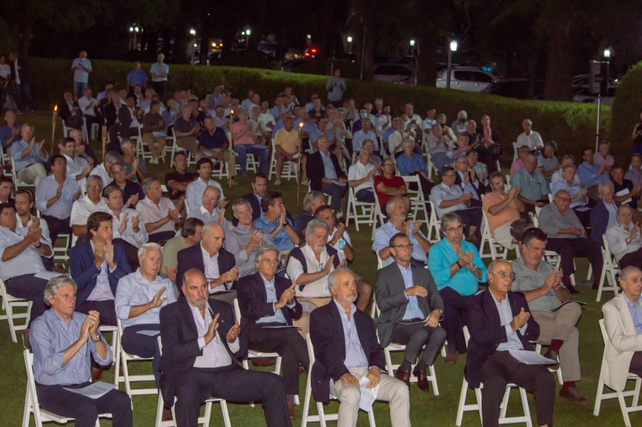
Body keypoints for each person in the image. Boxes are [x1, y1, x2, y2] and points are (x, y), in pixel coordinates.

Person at [159, 268, 291, 427]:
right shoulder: (171, 312)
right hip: (192, 374)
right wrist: (204, 339)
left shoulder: (222, 308)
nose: (201, 293)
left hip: (227, 374)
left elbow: (241, 351)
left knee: (274, 383)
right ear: (184, 290)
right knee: (186, 393)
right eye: (194, 288)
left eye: (203, 286)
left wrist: (232, 340)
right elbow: (172, 353)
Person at [310, 267, 410, 427]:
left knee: (401, 389)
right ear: (333, 290)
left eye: (354, 284)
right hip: (336, 373)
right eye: (346, 284)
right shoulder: (320, 316)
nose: (353, 288)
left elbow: (375, 348)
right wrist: (342, 373)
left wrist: (376, 368)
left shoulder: (363, 318)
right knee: (351, 393)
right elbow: (323, 349)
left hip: (366, 373)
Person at [30, 276, 133, 427]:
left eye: (74, 295)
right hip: (52, 389)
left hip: (84, 387)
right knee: (86, 407)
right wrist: (80, 341)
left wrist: (93, 335)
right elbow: (49, 367)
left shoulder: (82, 320)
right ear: (51, 299)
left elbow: (105, 359)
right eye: (66, 296)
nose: (72, 300)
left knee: (122, 400)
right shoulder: (41, 326)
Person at [465, 259, 555, 427]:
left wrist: (524, 323)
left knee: (545, 378)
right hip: (491, 357)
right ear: (490, 277)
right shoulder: (476, 302)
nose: (508, 278)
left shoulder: (517, 299)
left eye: (511, 275)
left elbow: (534, 331)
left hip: (519, 356)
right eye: (503, 274)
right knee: (495, 382)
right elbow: (479, 336)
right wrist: (511, 326)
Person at [511, 228, 587, 403]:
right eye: (535, 249)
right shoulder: (513, 268)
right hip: (532, 316)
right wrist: (544, 289)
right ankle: (568, 385)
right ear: (523, 247)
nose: (539, 254)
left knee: (574, 305)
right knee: (571, 333)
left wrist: (557, 287)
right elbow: (513, 300)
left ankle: (552, 350)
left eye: (542, 250)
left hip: (558, 314)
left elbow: (565, 297)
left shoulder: (547, 267)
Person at [237, 246, 309, 419]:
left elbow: (297, 314)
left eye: (275, 260)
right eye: (267, 260)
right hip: (257, 331)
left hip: (282, 331)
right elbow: (248, 310)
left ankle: (288, 400)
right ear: (257, 264)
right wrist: (277, 304)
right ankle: (317, 369)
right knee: (290, 335)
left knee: (290, 346)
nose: (272, 264)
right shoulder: (245, 283)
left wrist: (291, 302)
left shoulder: (283, 282)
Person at [375, 232, 446, 391]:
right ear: (392, 251)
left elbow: (436, 296)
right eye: (402, 246)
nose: (407, 249)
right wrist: (406, 293)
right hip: (397, 323)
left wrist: (437, 311)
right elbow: (382, 303)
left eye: (409, 246)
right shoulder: (384, 274)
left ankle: (420, 367)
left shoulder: (423, 273)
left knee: (440, 333)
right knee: (420, 333)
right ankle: (405, 369)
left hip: (421, 321)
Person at [115, 243, 177, 387]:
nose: (156, 263)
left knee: (181, 341)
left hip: (161, 330)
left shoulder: (166, 284)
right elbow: (122, 312)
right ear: (141, 260)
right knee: (161, 343)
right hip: (135, 332)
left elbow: (174, 311)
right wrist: (149, 305)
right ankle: (166, 399)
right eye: (152, 259)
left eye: (159, 260)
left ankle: (185, 390)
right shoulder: (127, 282)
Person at [429, 212, 486, 364]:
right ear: (444, 232)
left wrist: (472, 267)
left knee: (477, 303)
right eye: (452, 229)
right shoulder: (437, 250)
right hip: (447, 295)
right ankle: (454, 347)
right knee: (448, 305)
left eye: (459, 227)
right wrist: (459, 264)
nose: (457, 232)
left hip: (470, 295)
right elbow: (435, 279)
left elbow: (484, 277)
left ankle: (469, 345)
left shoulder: (470, 247)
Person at [70, 211, 132, 327]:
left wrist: (112, 264)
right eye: (106, 228)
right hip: (88, 302)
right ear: (93, 231)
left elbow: (129, 280)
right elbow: (77, 284)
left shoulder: (118, 249)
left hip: (113, 301)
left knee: (132, 316)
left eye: (111, 228)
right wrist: (96, 263)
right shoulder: (78, 252)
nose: (110, 232)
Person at [0, 203, 52, 332]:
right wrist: (28, 241)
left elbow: (49, 252)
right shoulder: (2, 235)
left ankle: (61, 329)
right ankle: (32, 332)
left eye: (13, 213)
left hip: (41, 275)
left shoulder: (26, 232)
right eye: (6, 214)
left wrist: (38, 244)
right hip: (16, 280)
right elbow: (5, 255)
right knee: (49, 289)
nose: (11, 216)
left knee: (69, 284)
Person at [286, 219, 343, 336]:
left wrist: (342, 271)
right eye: (318, 236)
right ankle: (305, 353)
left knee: (351, 315)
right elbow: (299, 279)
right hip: (306, 300)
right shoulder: (297, 254)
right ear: (308, 236)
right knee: (305, 318)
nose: (322, 240)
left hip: (331, 300)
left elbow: (343, 274)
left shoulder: (332, 253)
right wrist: (324, 272)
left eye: (324, 237)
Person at [539, 190, 604, 292]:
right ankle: (566, 282)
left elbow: (580, 229)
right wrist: (567, 230)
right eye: (563, 200)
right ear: (556, 199)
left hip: (572, 238)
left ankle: (598, 280)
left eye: (568, 200)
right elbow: (545, 229)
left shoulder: (569, 211)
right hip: (554, 239)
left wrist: (576, 232)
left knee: (594, 245)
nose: (566, 203)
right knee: (566, 248)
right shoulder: (546, 210)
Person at [315, 205, 373, 311]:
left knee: (366, 288)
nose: (331, 220)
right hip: (325, 272)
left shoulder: (342, 233)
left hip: (344, 270)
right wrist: (333, 241)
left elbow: (350, 257)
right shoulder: (316, 235)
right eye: (327, 218)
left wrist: (341, 238)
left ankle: (355, 319)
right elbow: (317, 254)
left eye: (332, 217)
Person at [601, 266, 642, 392]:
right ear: (623, 284)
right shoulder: (611, 307)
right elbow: (619, 343)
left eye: (641, 280)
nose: (640, 284)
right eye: (635, 281)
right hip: (626, 354)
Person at [175, 222, 238, 295]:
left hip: (224, 297)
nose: (220, 243)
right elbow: (182, 286)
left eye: (222, 239)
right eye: (216, 239)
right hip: (199, 298)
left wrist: (229, 281)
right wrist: (215, 283)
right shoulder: (186, 256)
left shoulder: (228, 257)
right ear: (204, 235)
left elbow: (234, 289)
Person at [373, 196, 430, 268]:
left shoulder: (412, 227)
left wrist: (416, 234)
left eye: (404, 207)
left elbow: (430, 250)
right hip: (399, 269)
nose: (404, 209)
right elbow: (383, 255)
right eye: (400, 207)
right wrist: (404, 236)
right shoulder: (383, 231)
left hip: (421, 267)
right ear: (390, 210)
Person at [431, 166, 482, 244]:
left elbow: (466, 204)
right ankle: (471, 240)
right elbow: (441, 204)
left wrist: (466, 199)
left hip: (463, 211)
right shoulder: (437, 189)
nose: (453, 178)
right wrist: (460, 199)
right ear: (443, 177)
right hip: (449, 215)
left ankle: (471, 235)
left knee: (478, 211)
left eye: (454, 175)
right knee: (468, 220)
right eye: (451, 176)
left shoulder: (457, 187)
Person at [36, 154, 80, 244]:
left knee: (79, 225)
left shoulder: (73, 183)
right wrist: (56, 198)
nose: (62, 165)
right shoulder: (45, 182)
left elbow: (79, 204)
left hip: (68, 218)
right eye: (59, 163)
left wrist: (75, 200)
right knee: (53, 225)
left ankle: (72, 251)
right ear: (52, 167)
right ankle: (47, 253)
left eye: (64, 164)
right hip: (50, 218)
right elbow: (39, 206)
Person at [225, 198, 274, 278]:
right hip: (247, 276)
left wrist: (261, 249)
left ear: (251, 211)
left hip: (268, 274)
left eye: (247, 211)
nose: (245, 215)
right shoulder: (232, 236)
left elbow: (275, 255)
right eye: (241, 213)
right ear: (236, 215)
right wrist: (251, 245)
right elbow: (233, 262)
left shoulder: (264, 233)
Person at [103, 186, 148, 269]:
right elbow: (103, 240)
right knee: (117, 242)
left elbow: (144, 242)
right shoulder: (102, 217)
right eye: (114, 197)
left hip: (134, 254)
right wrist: (120, 230)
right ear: (107, 200)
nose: (118, 199)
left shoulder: (134, 214)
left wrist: (136, 230)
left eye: (120, 196)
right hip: (113, 256)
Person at [482, 172, 526, 249]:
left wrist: (515, 197)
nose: (501, 185)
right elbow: (493, 211)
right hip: (501, 227)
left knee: (533, 233)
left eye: (502, 182)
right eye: (497, 183)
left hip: (517, 224)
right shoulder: (489, 197)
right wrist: (509, 199)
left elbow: (522, 209)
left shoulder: (508, 195)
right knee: (524, 238)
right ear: (491, 185)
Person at [14, 189, 54, 270]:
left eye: (22, 203)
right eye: (16, 202)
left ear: (31, 204)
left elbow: (49, 252)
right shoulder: (9, 220)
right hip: (16, 259)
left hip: (37, 259)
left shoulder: (41, 223)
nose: (18, 206)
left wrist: (38, 242)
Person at [307, 135, 347, 214]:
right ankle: (338, 212)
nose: (327, 144)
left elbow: (338, 170)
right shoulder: (313, 157)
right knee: (336, 190)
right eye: (324, 142)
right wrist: (322, 179)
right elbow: (310, 173)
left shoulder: (332, 156)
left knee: (350, 188)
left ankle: (350, 211)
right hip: (322, 182)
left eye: (327, 142)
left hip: (335, 181)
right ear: (319, 145)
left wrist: (340, 177)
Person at [137, 177, 180, 243]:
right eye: (157, 188)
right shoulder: (142, 205)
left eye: (160, 187)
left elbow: (180, 220)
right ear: (148, 191)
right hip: (154, 237)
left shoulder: (167, 201)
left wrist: (177, 219)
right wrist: (168, 218)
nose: (161, 189)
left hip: (172, 235)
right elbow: (147, 228)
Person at [160, 217, 203, 282]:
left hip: (190, 277)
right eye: (200, 233)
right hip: (169, 280)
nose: (203, 235)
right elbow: (171, 275)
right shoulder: (173, 246)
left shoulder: (199, 245)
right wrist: (192, 283)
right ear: (190, 234)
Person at [11, 123, 48, 188]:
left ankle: (38, 198)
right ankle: (46, 195)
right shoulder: (16, 145)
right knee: (39, 166)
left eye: (29, 132)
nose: (27, 134)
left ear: (33, 134)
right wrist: (30, 148)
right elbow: (15, 157)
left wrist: (41, 149)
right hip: (23, 171)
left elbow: (46, 159)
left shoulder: (37, 145)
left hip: (38, 171)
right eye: (25, 132)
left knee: (39, 179)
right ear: (22, 133)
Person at [232, 110, 269, 175]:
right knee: (242, 149)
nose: (245, 117)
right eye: (244, 115)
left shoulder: (250, 125)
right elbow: (235, 137)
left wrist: (250, 132)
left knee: (264, 150)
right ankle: (243, 170)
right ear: (239, 115)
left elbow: (255, 138)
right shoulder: (235, 125)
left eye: (246, 115)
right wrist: (243, 131)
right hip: (239, 145)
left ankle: (263, 171)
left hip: (251, 145)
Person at [274, 116, 306, 186]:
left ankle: (304, 179)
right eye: (289, 123)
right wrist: (288, 155)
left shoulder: (296, 133)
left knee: (305, 158)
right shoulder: (279, 132)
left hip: (294, 154)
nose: (291, 125)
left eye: (292, 123)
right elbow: (277, 147)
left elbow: (299, 147)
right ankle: (278, 179)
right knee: (280, 157)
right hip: (283, 153)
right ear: (285, 123)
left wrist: (295, 153)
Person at [590, 180, 620, 246]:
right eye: (603, 193)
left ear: (613, 192)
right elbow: (596, 232)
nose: (606, 196)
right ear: (600, 194)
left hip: (621, 235)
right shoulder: (597, 209)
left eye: (608, 193)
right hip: (608, 239)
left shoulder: (619, 205)